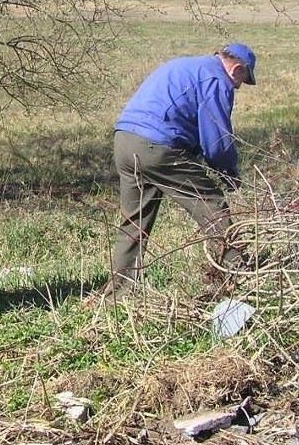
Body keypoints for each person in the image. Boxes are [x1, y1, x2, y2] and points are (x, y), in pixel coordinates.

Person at [104, 42, 257, 297]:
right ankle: (240, 275)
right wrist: (230, 175)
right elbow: (217, 141)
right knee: (211, 203)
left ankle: (117, 294)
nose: (240, 86)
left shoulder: (185, 65)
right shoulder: (216, 78)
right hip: (157, 146)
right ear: (237, 68)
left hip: (125, 140)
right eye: (243, 79)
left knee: (134, 223)